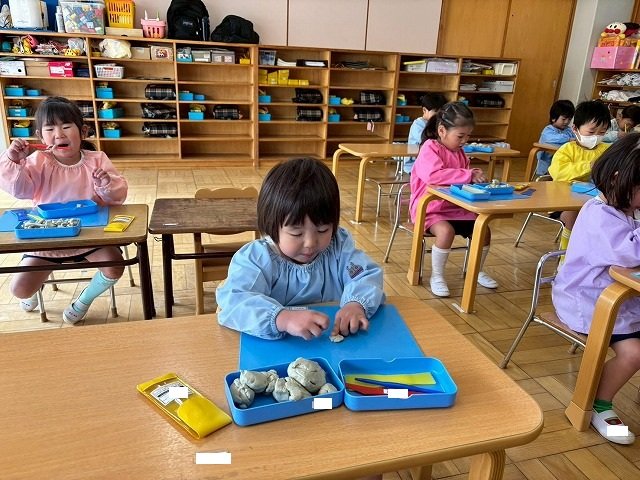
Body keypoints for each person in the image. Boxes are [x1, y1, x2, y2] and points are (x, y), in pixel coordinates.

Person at [216, 157, 385, 340]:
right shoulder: (257, 259)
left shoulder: (338, 247)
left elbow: (365, 275)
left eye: (323, 230)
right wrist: (283, 318)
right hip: (277, 349)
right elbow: (234, 301)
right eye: (296, 233)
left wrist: (356, 304)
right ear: (272, 227)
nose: (310, 243)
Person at [0, 96, 128, 324]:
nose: (59, 134)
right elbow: (20, 191)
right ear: (41, 136)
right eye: (50, 129)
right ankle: (35, 288)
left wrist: (105, 184)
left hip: (90, 237)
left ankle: (83, 301)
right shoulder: (38, 160)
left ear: (83, 131)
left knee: (115, 266)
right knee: (19, 290)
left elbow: (118, 198)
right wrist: (14, 160)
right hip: (47, 239)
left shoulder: (97, 159)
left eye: (66, 126)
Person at [552, 133, 640, 445]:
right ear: (618, 180)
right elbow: (630, 254)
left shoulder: (627, 207)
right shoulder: (600, 215)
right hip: (590, 303)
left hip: (621, 299)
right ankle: (596, 405)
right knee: (634, 353)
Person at [408, 101, 498, 298]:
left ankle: (476, 271)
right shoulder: (429, 148)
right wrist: (468, 175)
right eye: (460, 136)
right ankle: (437, 276)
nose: (464, 141)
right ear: (442, 130)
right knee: (446, 232)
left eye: (468, 136)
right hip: (430, 208)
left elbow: (462, 176)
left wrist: (476, 177)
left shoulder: (460, 152)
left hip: (456, 206)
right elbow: (434, 176)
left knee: (484, 230)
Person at [548, 100, 611, 251]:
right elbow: (559, 173)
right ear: (575, 129)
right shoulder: (567, 149)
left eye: (602, 132)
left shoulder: (608, 150)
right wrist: (588, 166)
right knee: (573, 213)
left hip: (599, 200)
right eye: (591, 132)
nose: (596, 137)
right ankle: (566, 254)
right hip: (568, 201)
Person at [403, 92, 448, 174]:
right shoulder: (418, 124)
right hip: (414, 164)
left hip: (431, 162)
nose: (439, 116)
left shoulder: (438, 123)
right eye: (436, 112)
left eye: (442, 113)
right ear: (424, 110)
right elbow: (428, 141)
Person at [534, 99, 575, 176]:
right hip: (546, 163)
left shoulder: (568, 130)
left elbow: (575, 139)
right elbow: (551, 138)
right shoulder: (548, 130)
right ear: (553, 118)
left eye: (569, 119)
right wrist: (569, 139)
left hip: (562, 161)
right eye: (564, 119)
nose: (567, 122)